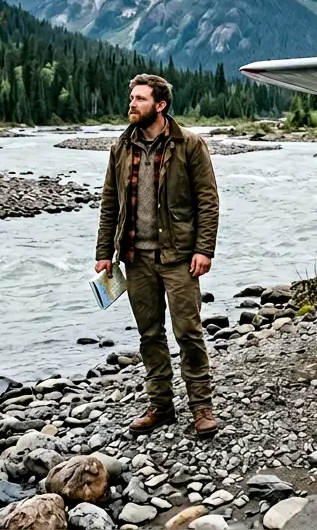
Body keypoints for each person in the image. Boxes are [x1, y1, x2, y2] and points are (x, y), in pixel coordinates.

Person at [94, 73, 220, 438]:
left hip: (179, 256)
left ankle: (201, 407)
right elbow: (109, 204)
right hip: (134, 257)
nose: (131, 104)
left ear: (160, 105)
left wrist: (203, 249)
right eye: (131, 98)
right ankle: (161, 406)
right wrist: (104, 252)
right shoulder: (121, 148)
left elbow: (208, 203)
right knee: (149, 335)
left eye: (140, 99)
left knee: (188, 333)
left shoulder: (189, 145)